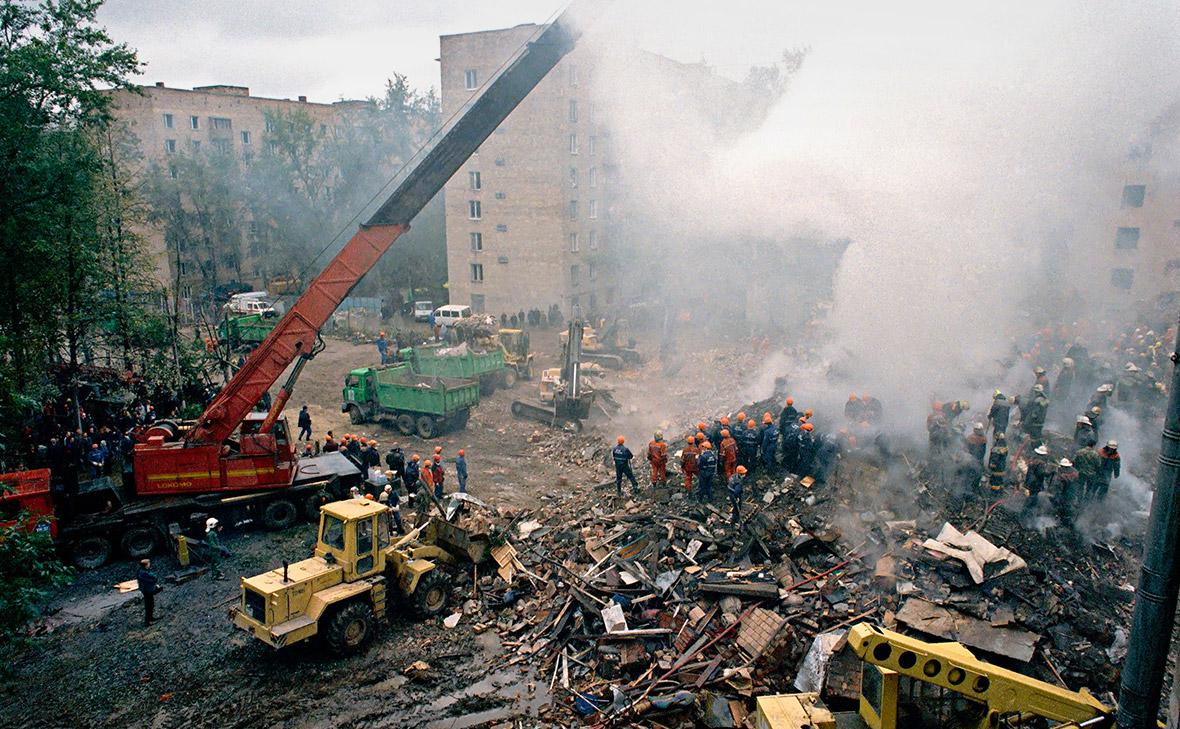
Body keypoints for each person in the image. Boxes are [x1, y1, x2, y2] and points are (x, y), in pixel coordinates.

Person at [1022, 444, 1052, 514]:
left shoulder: (1033, 460)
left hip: (1029, 482)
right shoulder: (1040, 463)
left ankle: (1027, 511)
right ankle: (1027, 512)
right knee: (1033, 498)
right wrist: (1049, 473)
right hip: (1035, 484)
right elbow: (1040, 473)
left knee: (1031, 496)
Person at [1051, 458, 1080, 523]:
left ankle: (1063, 518)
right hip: (1069, 491)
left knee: (1064, 504)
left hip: (1068, 491)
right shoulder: (1074, 471)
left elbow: (1058, 482)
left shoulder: (1063, 471)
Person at [137, 558, 161, 627]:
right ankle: (147, 621)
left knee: (150, 604)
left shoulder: (141, 571)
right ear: (146, 565)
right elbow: (153, 577)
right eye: (148, 564)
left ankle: (150, 618)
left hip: (146, 590)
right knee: (149, 605)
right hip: (147, 590)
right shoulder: (144, 573)